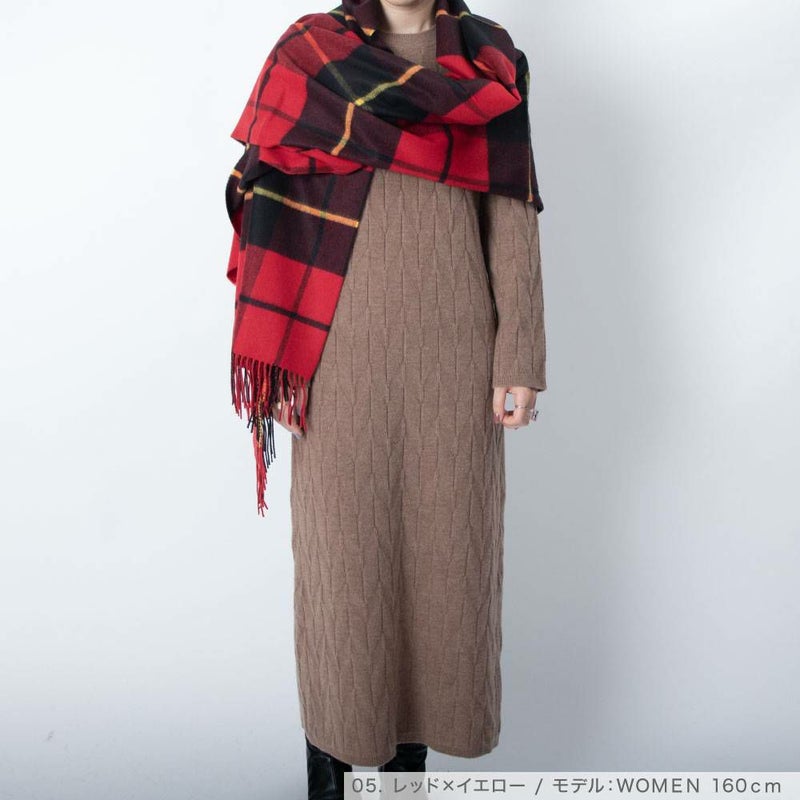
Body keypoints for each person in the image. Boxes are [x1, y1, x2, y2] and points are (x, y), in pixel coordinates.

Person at [225, 0, 546, 796]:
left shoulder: (491, 64)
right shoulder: (311, 55)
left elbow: (512, 208)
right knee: (343, 571)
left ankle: (405, 781)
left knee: (445, 568)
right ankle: (331, 775)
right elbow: (266, 200)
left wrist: (520, 354)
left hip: (456, 357)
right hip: (333, 355)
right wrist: (278, 358)